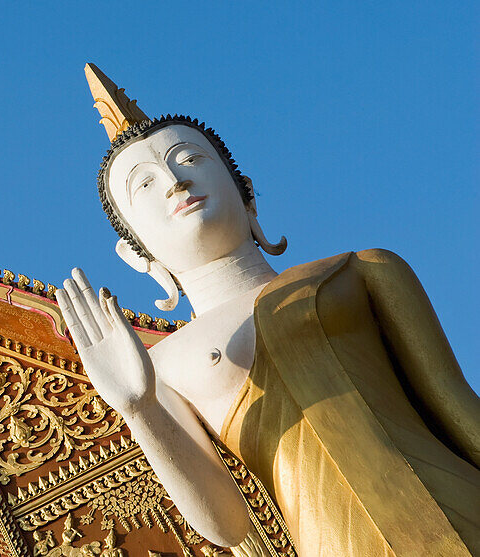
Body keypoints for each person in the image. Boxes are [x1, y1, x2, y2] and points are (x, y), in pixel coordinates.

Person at [56, 64, 480, 556]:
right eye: (144, 185)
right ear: (136, 254)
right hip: (333, 540)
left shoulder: (362, 270)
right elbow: (228, 525)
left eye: (189, 158)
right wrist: (140, 410)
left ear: (248, 193)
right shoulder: (163, 369)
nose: (174, 181)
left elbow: (457, 408)